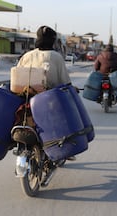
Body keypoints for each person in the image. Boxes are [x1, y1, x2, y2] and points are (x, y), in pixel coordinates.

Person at [16, 25, 76, 161]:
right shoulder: (56, 57)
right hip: (49, 101)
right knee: (65, 116)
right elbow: (65, 82)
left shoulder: (26, 56)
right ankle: (65, 149)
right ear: (52, 41)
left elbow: (16, 77)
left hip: (26, 100)